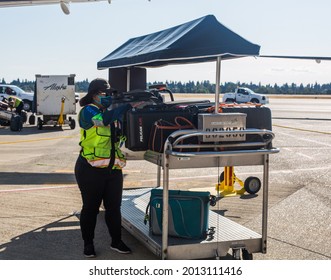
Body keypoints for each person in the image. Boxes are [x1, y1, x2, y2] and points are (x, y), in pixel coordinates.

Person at [74, 78, 131, 258]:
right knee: (90, 208)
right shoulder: (88, 111)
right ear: (94, 95)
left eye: (108, 93)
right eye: (103, 93)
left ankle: (116, 241)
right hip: (90, 169)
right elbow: (103, 120)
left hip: (113, 169)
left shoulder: (112, 113)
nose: (106, 96)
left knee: (114, 208)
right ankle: (88, 244)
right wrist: (125, 106)